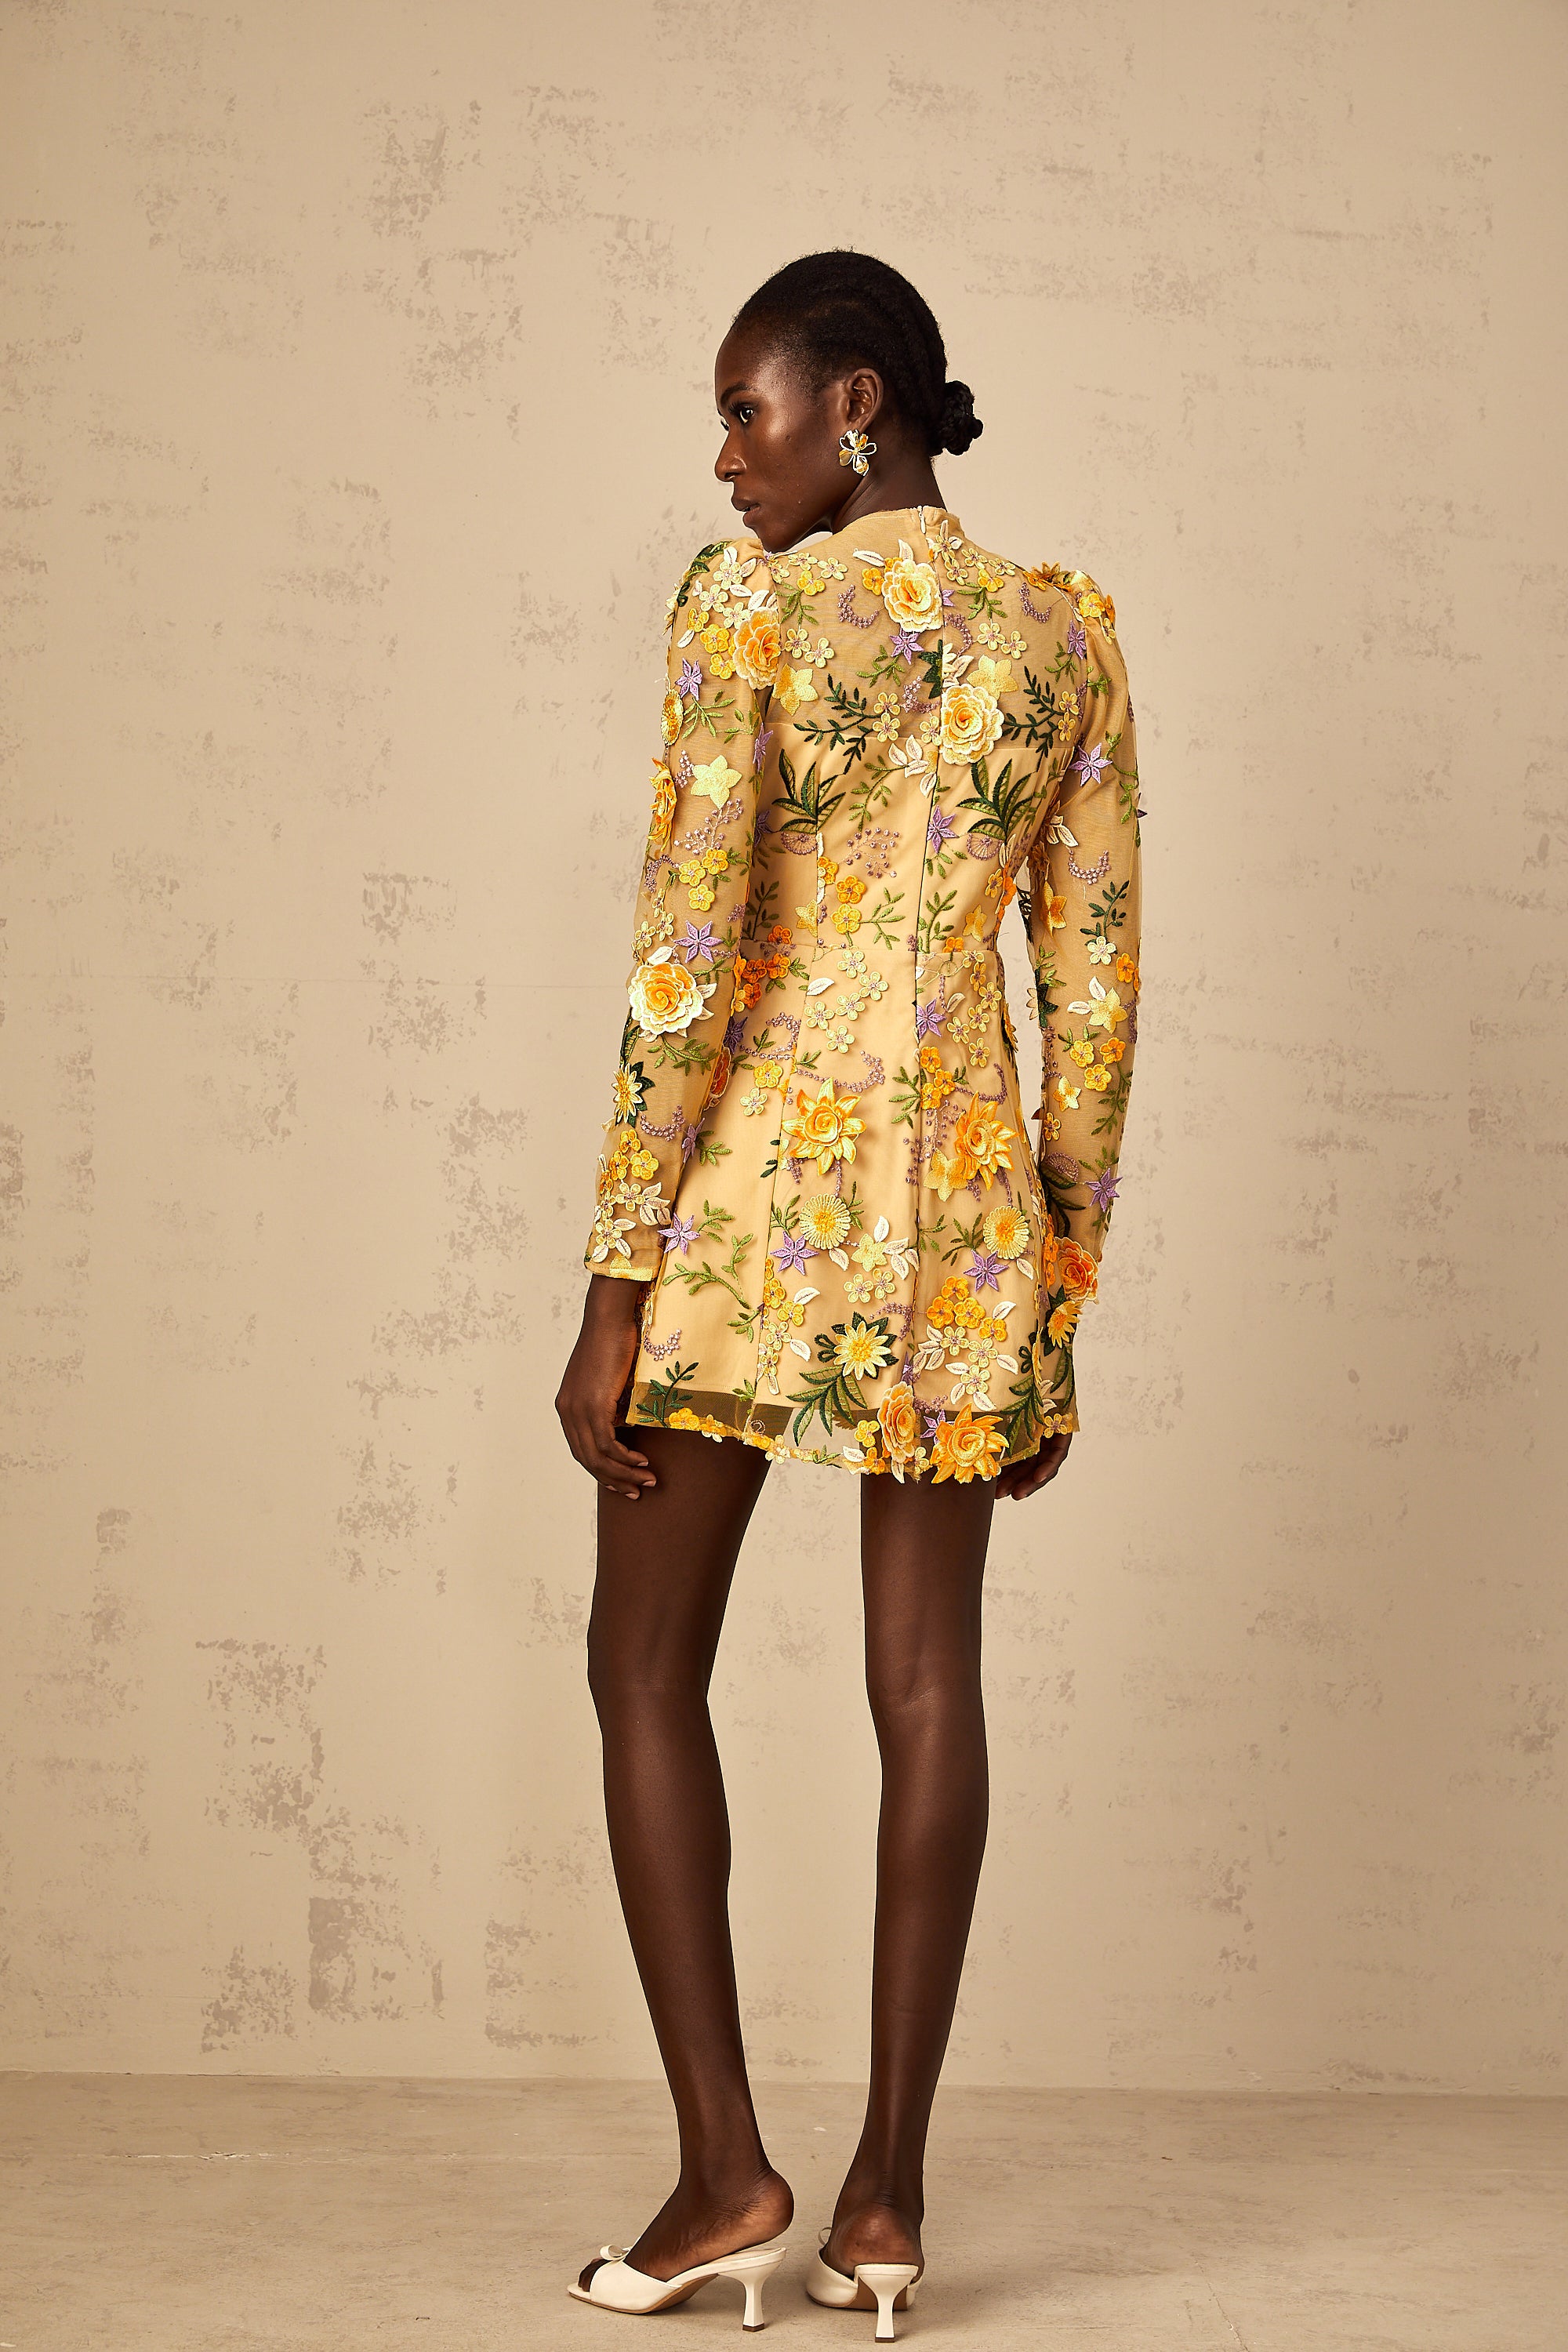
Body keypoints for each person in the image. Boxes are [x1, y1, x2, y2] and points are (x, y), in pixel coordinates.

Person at [556, 249, 1142, 2337]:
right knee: (929, 1689)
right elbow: (1096, 998)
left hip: (749, 1205)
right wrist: (1054, 1295)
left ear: (856, 403)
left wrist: (614, 1279)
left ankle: (728, 2172)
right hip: (962, 1220)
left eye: (750, 411)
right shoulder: (1065, 634)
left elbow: (689, 950)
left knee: (642, 1664)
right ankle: (885, 2204)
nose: (728, 458)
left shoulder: (752, 611)